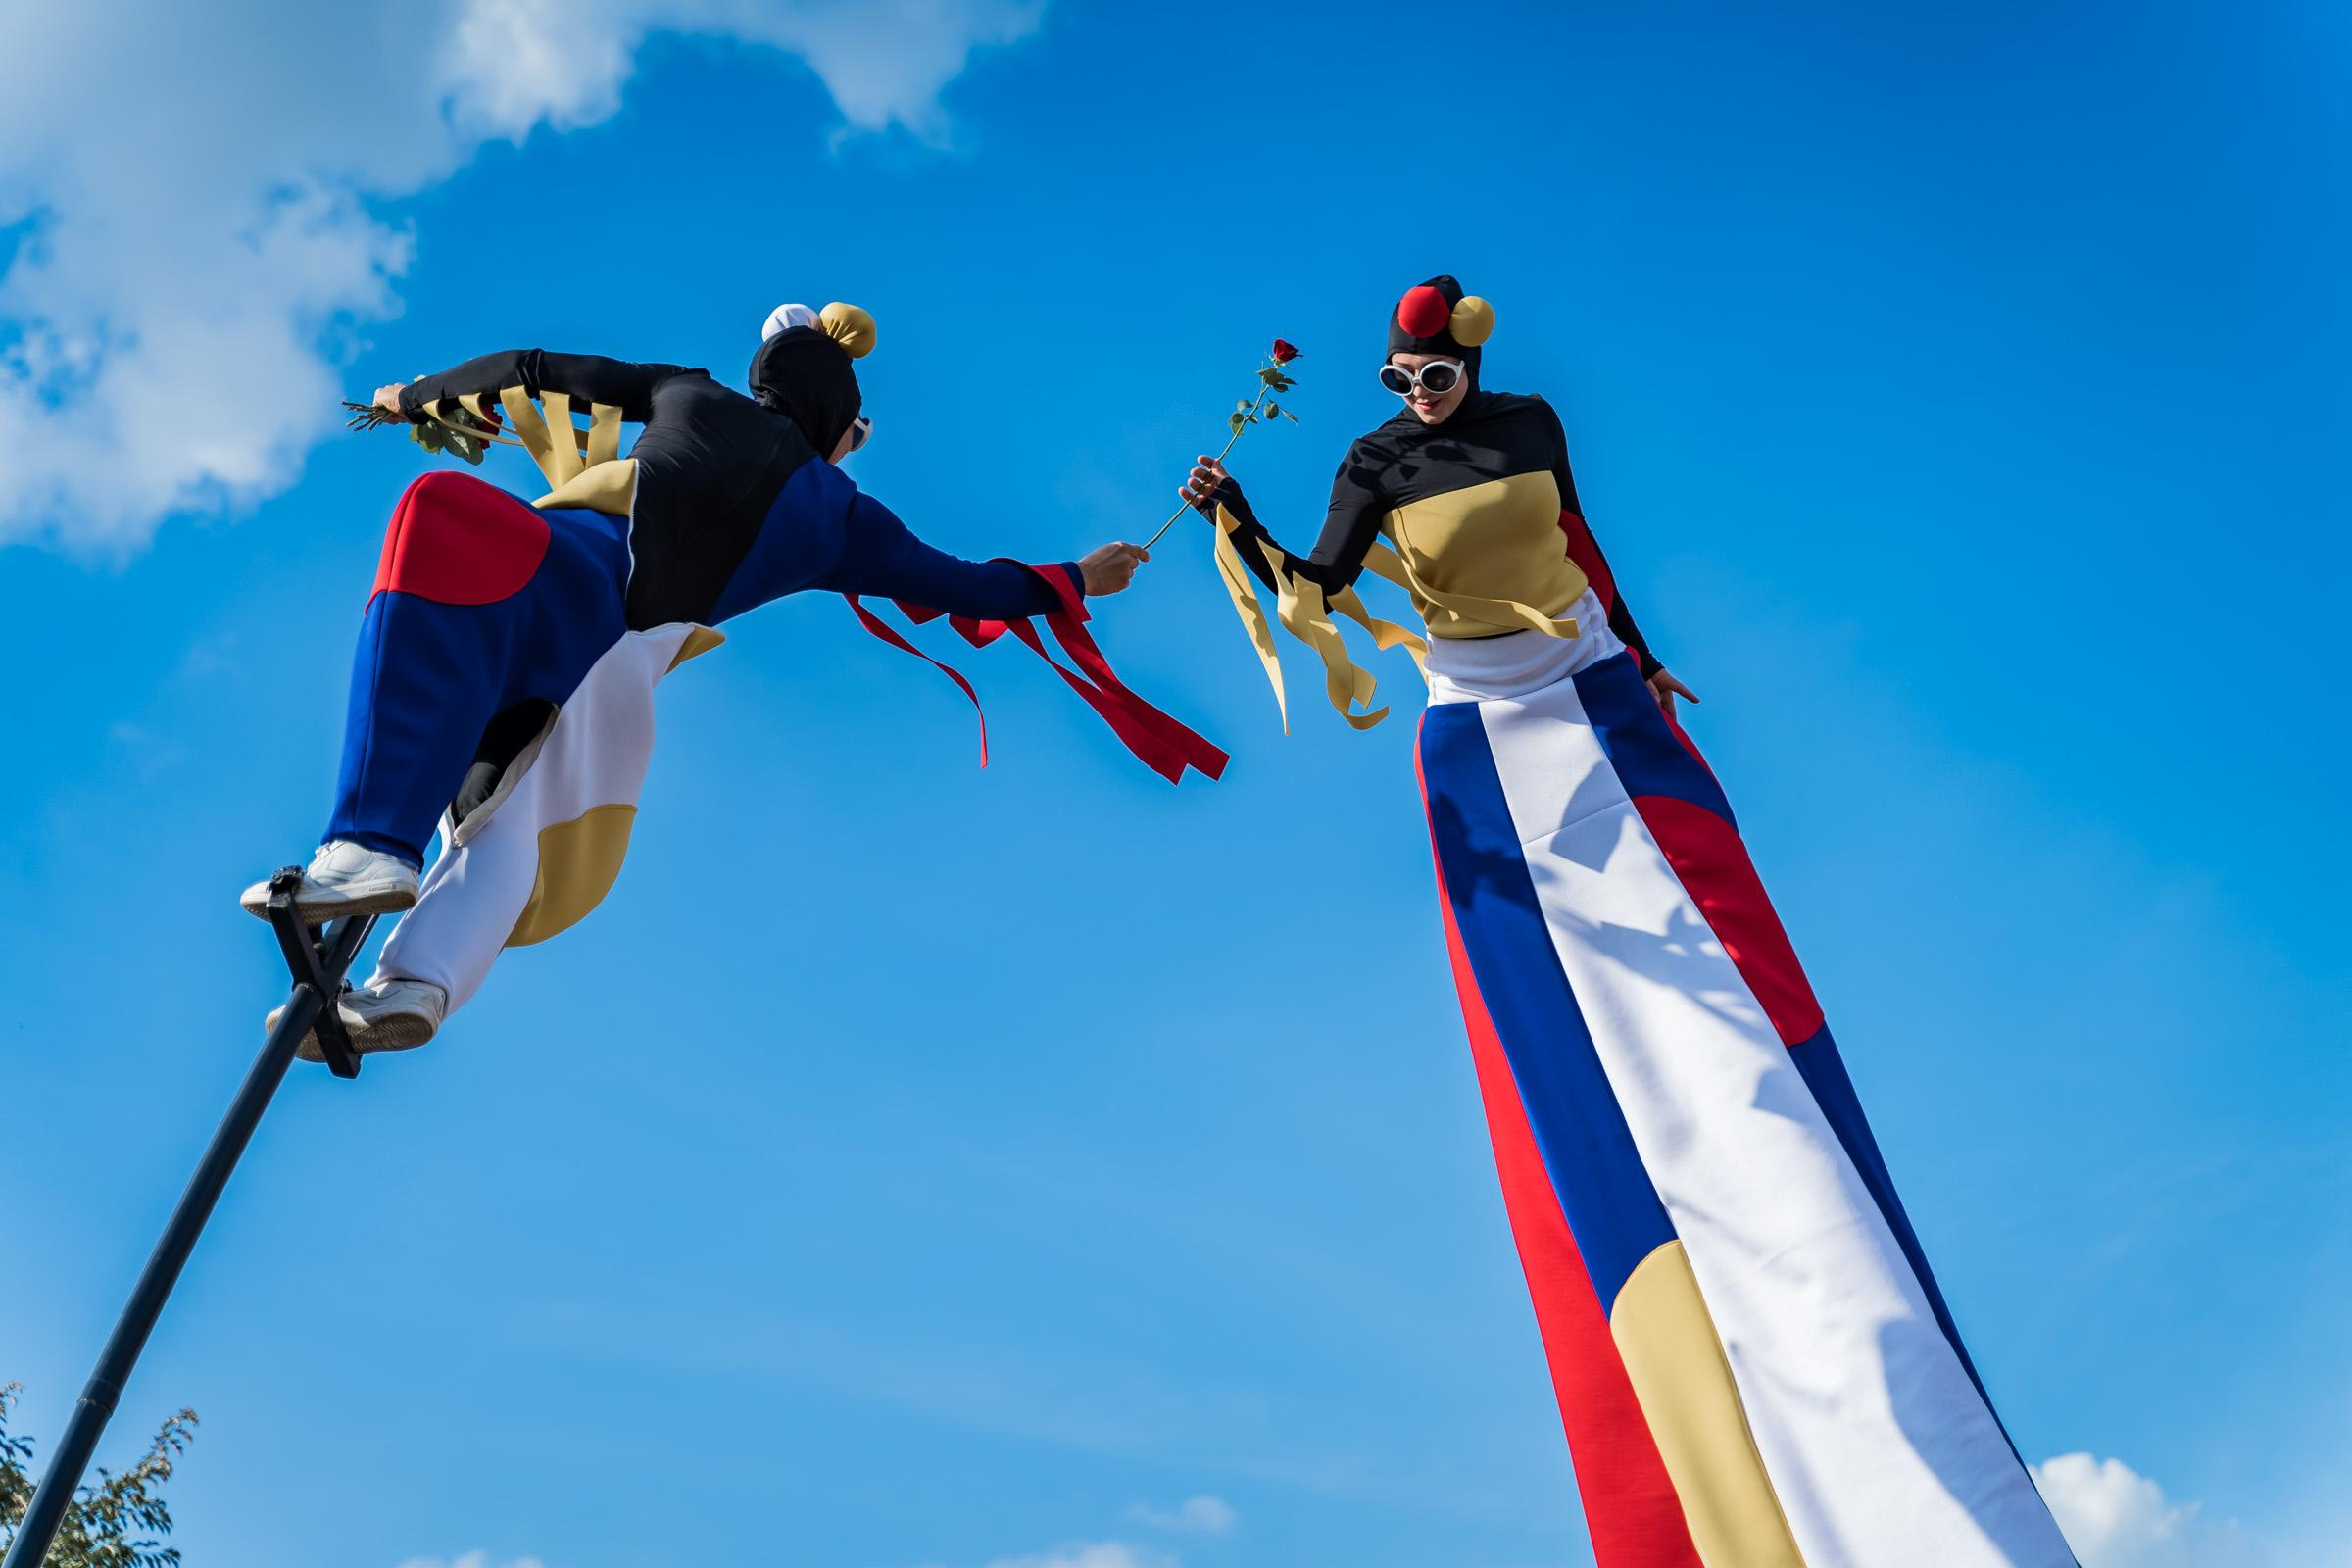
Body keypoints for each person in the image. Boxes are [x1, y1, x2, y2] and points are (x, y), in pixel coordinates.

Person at [1179, 276, 2075, 1567]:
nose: (1416, 397)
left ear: (1470, 367)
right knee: (1588, 1068)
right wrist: (1235, 514)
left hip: (1595, 690)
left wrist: (1644, 654)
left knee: (1741, 997)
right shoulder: (1375, 461)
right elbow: (1317, 582)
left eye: (1431, 378)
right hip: (1483, 731)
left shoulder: (1532, 424)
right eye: (1398, 379)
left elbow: (1584, 546)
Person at [253, 300, 1212, 1057]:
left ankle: (371, 843)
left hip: (569, 578)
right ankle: (422, 979)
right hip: (620, 677)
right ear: (843, 427)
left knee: (439, 515)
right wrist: (1079, 576)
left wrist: (414, 393)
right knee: (506, 815)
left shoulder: (691, 394)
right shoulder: (842, 513)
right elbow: (968, 585)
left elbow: (534, 370)